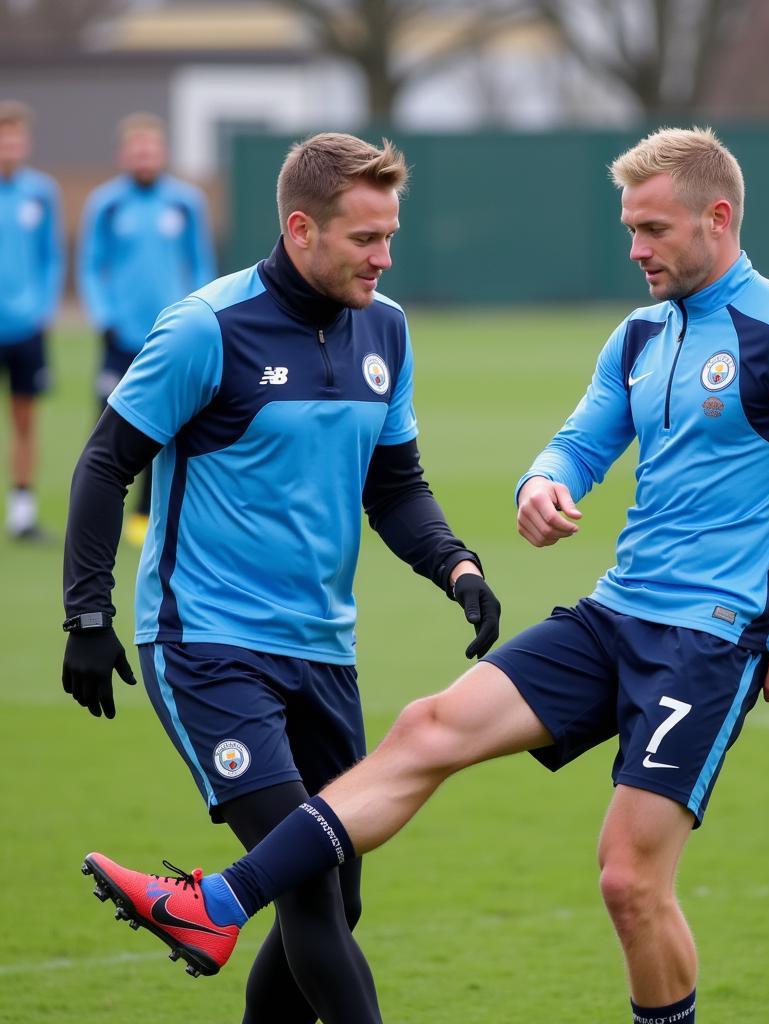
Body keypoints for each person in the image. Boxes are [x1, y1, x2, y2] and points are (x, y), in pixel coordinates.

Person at [82, 127, 769, 1023]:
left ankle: (214, 905)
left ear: (719, 217)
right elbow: (582, 440)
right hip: (614, 615)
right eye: (629, 228)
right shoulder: (639, 336)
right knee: (428, 726)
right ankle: (216, 906)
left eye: (654, 230)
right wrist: (544, 483)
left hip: (709, 637)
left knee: (628, 881)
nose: (635, 249)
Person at [65, 132, 501, 1024]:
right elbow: (106, 462)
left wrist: (455, 564)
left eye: (389, 238)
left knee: (336, 895)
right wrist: (86, 614)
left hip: (323, 650)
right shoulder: (206, 328)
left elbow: (395, 485)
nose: (383, 259)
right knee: (305, 894)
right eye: (364, 240)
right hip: (207, 644)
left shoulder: (388, 328)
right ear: (301, 230)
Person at [77, 112, 215, 547]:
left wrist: (200, 314)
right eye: (137, 149)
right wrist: (104, 315)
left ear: (163, 152)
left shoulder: (186, 202)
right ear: (124, 154)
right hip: (121, 336)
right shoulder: (106, 203)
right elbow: (91, 264)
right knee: (109, 425)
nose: (145, 156)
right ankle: (100, 513)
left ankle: (144, 514)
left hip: (171, 338)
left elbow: (200, 263)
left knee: (170, 425)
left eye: (151, 148)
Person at [0, 100, 64, 540]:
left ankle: (21, 512)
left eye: (15, 137)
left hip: (26, 327)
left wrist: (41, 305)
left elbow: (50, 256)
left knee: (25, 420)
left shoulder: (41, 192)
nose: (9, 145)